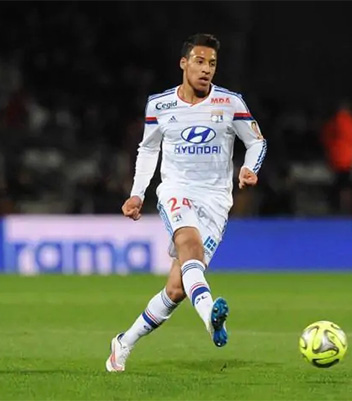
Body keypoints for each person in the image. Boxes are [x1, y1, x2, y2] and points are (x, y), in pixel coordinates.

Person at [106, 33, 267, 372]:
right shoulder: (160, 105)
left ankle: (123, 342)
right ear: (184, 63)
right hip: (176, 191)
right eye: (200, 61)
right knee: (190, 246)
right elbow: (148, 149)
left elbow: (256, 142)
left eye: (212, 64)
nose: (206, 69)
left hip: (216, 201)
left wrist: (250, 168)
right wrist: (138, 193)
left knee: (177, 289)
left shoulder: (230, 103)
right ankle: (210, 317)